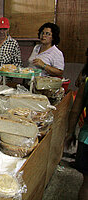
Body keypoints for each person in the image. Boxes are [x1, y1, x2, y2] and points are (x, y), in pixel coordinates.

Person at [65, 53, 88, 200]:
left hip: (86, 140)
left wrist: (70, 132)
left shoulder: (87, 82)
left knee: (86, 183)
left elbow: (75, 110)